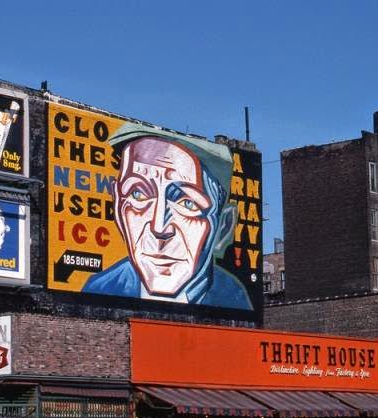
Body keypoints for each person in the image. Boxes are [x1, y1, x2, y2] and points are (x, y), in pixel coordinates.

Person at [83, 124, 253, 310]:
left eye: (187, 203)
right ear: (117, 207)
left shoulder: (236, 299)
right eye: (138, 195)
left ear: (223, 227)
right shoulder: (98, 289)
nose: (159, 227)